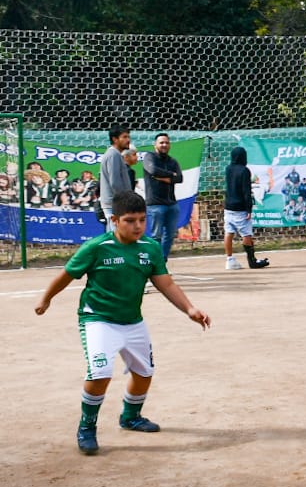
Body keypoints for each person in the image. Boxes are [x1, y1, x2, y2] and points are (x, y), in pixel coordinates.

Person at [33, 190, 211, 455]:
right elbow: (66, 275)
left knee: (144, 373)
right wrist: (46, 299)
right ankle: (87, 426)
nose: (137, 225)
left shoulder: (149, 248)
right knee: (100, 374)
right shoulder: (95, 248)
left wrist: (189, 308)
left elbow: (165, 283)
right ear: (114, 220)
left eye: (142, 219)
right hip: (98, 320)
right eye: (130, 220)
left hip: (132, 321)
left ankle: (130, 417)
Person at [224, 145, 269, 269]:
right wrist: (249, 208)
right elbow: (246, 191)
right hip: (240, 207)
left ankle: (229, 259)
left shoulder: (228, 169)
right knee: (246, 234)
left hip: (228, 206)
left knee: (229, 232)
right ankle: (252, 260)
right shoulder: (244, 170)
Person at [142, 132, 183, 261]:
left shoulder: (172, 161)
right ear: (155, 145)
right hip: (155, 204)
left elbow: (180, 178)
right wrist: (172, 174)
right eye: (161, 142)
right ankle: (154, 262)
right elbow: (153, 171)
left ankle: (162, 261)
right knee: (156, 236)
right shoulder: (149, 157)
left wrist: (165, 177)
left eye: (166, 142)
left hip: (172, 204)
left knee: (170, 235)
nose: (164, 145)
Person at [98, 125, 134, 227]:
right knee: (117, 238)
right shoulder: (113, 155)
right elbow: (115, 182)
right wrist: (126, 202)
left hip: (116, 204)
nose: (128, 140)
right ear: (115, 139)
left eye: (129, 137)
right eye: (125, 137)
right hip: (115, 205)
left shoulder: (115, 154)